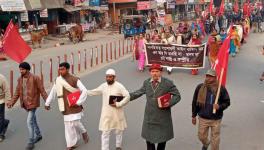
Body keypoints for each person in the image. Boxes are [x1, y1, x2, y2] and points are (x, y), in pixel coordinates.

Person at [130, 64, 181, 150]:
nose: (155, 74)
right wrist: (125, 97)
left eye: (157, 71)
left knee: (162, 141)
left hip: (163, 118)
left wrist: (169, 103)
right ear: (150, 72)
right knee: (149, 141)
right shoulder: (146, 83)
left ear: (161, 72)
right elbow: (138, 93)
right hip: (149, 117)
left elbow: (177, 96)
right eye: (152, 71)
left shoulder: (168, 83)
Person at [45, 62, 89, 150]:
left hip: (74, 104)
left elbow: (84, 90)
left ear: (68, 69)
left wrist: (79, 102)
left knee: (76, 123)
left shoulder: (75, 79)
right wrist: (47, 103)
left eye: (63, 69)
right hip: (64, 105)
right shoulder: (57, 80)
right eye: (59, 69)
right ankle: (71, 144)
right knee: (68, 126)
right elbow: (53, 92)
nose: (60, 71)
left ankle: (84, 132)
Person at [6, 62, 48, 150]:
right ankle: (39, 135)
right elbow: (17, 92)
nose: (21, 71)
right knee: (33, 119)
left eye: (22, 69)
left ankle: (31, 142)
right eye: (20, 69)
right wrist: (11, 103)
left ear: (27, 69)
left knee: (29, 121)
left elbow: (42, 90)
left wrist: (47, 101)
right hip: (25, 104)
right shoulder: (20, 79)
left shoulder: (35, 78)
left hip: (33, 103)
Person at [87, 69, 130, 150]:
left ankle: (118, 146)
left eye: (110, 77)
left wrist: (118, 104)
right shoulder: (103, 86)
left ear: (114, 77)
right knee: (105, 132)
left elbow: (127, 96)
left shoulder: (119, 86)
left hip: (117, 113)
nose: (108, 79)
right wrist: (84, 92)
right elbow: (94, 92)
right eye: (107, 77)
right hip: (106, 114)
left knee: (118, 131)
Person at [192, 69, 230, 150]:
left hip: (216, 119)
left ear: (215, 77)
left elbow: (227, 102)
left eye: (211, 77)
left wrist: (219, 106)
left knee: (215, 140)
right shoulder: (200, 87)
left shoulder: (221, 89)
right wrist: (193, 116)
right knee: (201, 136)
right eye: (207, 76)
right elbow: (195, 102)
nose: (208, 78)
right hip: (203, 118)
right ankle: (206, 144)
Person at [0, 74, 11, 142]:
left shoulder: (1, 78)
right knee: (1, 119)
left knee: (0, 118)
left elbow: (7, 90)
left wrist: (8, 101)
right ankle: (5, 122)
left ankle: (1, 134)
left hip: (0, 101)